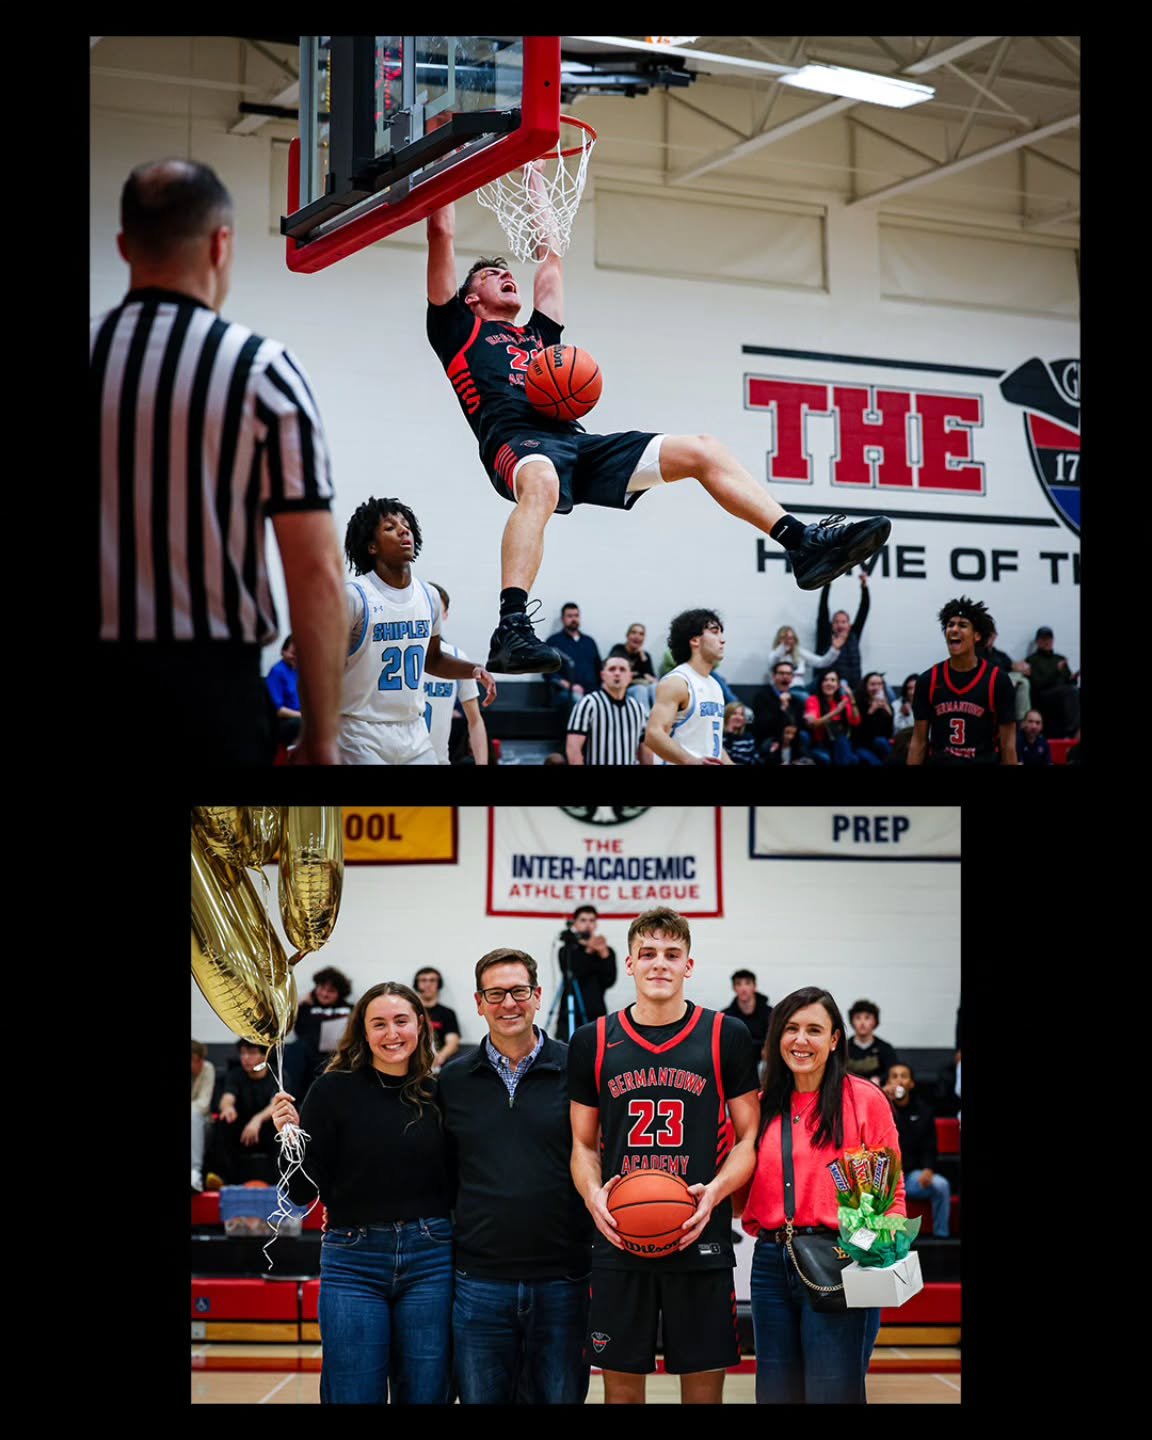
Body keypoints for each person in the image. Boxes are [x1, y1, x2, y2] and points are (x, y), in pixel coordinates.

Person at [424, 199, 891, 676]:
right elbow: (441, 230)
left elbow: (551, 259)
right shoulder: (456, 328)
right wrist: (445, 149)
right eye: (488, 275)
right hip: (515, 444)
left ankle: (801, 544)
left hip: (576, 444)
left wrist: (538, 177)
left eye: (506, 273)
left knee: (703, 450)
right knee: (541, 481)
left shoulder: (537, 336)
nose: (506, 276)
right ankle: (511, 627)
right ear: (470, 298)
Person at [93, 158, 346, 764]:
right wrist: (323, 738)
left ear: (125, 244)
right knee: (233, 864)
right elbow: (315, 572)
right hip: (213, 698)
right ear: (221, 244)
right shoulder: (263, 371)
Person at [568, 907, 761, 1404]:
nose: (660, 964)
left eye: (672, 954)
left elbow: (748, 1140)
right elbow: (583, 1146)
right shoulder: (591, 1040)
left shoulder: (726, 1035)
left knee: (702, 1395)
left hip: (699, 1234)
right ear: (629, 964)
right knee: (622, 1395)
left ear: (689, 966)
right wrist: (594, 1198)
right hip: (619, 1237)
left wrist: (715, 1194)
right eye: (648, 953)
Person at [271, 983, 454, 1405]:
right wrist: (287, 1137)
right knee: (354, 1391)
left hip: (431, 1258)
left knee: (427, 1392)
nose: (392, 1033)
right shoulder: (332, 1091)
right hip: (353, 1259)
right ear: (363, 1032)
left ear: (421, 1025)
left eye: (401, 1021)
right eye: (379, 1024)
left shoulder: (439, 1093)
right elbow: (300, 1192)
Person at [438, 948, 594, 1404]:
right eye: (496, 993)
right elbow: (444, 1174)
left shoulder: (578, 1070)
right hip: (479, 1281)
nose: (509, 1003)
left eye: (519, 991)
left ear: (538, 995)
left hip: (562, 1279)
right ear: (478, 1002)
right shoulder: (452, 1081)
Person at [741, 986, 904, 1404]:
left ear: (834, 1040)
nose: (801, 1040)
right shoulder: (761, 1106)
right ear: (777, 1038)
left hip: (839, 1257)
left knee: (833, 1392)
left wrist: (868, 1259)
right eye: (791, 1029)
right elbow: (741, 1193)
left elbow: (890, 1194)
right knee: (776, 1393)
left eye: (815, 1030)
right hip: (770, 1263)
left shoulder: (864, 1100)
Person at [340, 498, 496, 764]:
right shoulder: (354, 596)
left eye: (406, 524)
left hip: (414, 730)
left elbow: (432, 660)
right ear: (372, 546)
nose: (404, 530)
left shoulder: (429, 596)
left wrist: (473, 669)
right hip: (359, 731)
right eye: (390, 527)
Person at [908, 597, 1018, 766]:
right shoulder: (928, 680)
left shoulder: (998, 681)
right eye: (950, 625)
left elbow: (1007, 746)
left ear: (977, 635)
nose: (954, 629)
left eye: (962, 625)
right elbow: (919, 742)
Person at [645, 609, 732, 764]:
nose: (722, 640)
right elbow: (653, 735)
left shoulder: (715, 685)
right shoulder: (677, 682)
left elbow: (711, 742)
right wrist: (692, 761)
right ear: (695, 640)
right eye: (714, 632)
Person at [422, 583, 488, 765]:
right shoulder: (397, 655)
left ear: (445, 615)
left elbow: (475, 720)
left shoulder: (458, 658)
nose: (429, 616)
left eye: (435, 610)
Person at [882, 1063, 951, 1238]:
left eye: (903, 1076)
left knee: (941, 1185)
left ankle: (941, 1236)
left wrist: (928, 1169)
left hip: (910, 1176)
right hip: (883, 1179)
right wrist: (884, 1099)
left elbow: (929, 1145)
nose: (899, 1080)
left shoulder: (924, 1111)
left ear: (911, 1083)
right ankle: (890, 1240)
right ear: (888, 1081)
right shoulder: (880, 1107)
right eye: (894, 1076)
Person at [208, 1041, 279, 1184]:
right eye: (243, 1053)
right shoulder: (236, 1075)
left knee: (282, 1128)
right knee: (223, 1122)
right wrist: (227, 1108)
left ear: (264, 1056)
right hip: (242, 1131)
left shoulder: (277, 1075)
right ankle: (222, 1179)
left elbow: (276, 1105)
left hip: (266, 1129)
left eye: (251, 1053)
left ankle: (283, 1180)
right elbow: (227, 1098)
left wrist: (257, 1120)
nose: (246, 1057)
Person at [566, 654, 650, 765]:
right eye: (612, 669)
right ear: (602, 675)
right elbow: (573, 749)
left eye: (622, 669)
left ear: (630, 676)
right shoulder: (588, 704)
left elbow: (645, 750)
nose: (617, 673)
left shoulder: (638, 708)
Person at [287, 966, 355, 1100]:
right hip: (307, 1055)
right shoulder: (305, 1007)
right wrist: (298, 1002)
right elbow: (284, 1024)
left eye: (331, 991)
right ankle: (292, 1099)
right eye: (321, 988)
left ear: (339, 993)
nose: (324, 994)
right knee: (294, 1048)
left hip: (335, 1054)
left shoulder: (349, 1009)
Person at [554, 905, 618, 1041]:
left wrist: (603, 953)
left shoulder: (606, 951)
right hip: (570, 1012)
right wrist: (589, 950)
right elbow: (573, 975)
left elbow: (609, 980)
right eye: (583, 920)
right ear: (575, 924)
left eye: (591, 920)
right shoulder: (567, 950)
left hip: (595, 1012)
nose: (588, 924)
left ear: (596, 924)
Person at [814, 571, 871, 691]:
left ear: (849, 625)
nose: (840, 624)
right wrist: (827, 585)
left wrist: (864, 587)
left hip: (854, 685)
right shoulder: (825, 635)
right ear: (831, 625)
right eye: (836, 621)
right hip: (829, 684)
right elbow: (823, 609)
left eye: (843, 622)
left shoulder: (854, 634)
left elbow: (863, 610)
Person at [546, 603, 604, 714]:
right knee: (580, 701)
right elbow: (548, 673)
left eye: (576, 615)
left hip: (592, 690)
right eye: (570, 616)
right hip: (566, 693)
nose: (574, 619)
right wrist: (570, 686)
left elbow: (599, 667)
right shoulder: (554, 641)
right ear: (563, 619)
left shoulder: (589, 642)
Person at [1025, 625, 1080, 738]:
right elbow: (1037, 684)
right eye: (1043, 639)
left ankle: (1076, 730)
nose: (1047, 642)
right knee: (1068, 692)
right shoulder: (1032, 660)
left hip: (1063, 693)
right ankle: (1072, 732)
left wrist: (1073, 678)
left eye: (1049, 639)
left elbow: (1069, 682)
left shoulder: (1059, 658)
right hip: (1044, 695)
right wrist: (1056, 670)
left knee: (1075, 691)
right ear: (1038, 641)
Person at [764, 624, 843, 700]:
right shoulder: (774, 655)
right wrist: (783, 647)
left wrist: (834, 649)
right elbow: (773, 660)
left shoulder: (800, 653)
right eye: (785, 638)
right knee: (807, 698)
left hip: (801, 687)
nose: (788, 641)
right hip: (787, 689)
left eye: (791, 638)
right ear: (779, 639)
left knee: (840, 683)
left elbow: (821, 662)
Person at [752, 659, 811, 760]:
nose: (785, 676)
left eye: (788, 674)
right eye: (781, 673)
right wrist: (782, 709)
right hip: (769, 738)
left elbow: (800, 725)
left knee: (803, 737)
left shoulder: (795, 700)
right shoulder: (762, 697)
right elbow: (763, 725)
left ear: (792, 678)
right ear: (774, 676)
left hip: (791, 739)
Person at [804, 668, 861, 766]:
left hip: (844, 742)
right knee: (850, 756)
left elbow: (856, 721)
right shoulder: (813, 700)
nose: (829, 683)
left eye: (832, 680)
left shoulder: (844, 700)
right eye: (825, 680)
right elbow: (814, 724)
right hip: (822, 742)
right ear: (820, 684)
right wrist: (836, 712)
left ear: (838, 685)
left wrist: (852, 699)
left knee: (850, 753)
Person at [980, 627, 1032, 722]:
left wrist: (1023, 667)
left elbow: (1013, 666)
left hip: (1004, 680)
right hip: (989, 681)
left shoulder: (999, 654)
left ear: (995, 636)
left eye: (992, 634)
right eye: (987, 634)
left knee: (1024, 682)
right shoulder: (977, 653)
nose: (990, 637)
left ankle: (1023, 718)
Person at [413, 967, 461, 1068]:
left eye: (432, 980)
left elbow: (452, 1042)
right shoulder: (410, 1012)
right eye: (423, 980)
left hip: (438, 1063)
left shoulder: (447, 1013)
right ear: (417, 984)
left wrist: (439, 1058)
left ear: (439, 984)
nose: (428, 984)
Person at [608, 622, 660, 714]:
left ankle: (661, 718)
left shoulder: (645, 655)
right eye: (634, 632)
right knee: (640, 689)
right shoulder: (618, 649)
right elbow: (622, 673)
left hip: (643, 687)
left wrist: (642, 657)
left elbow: (651, 677)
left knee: (655, 687)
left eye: (641, 634)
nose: (637, 636)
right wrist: (641, 676)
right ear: (627, 636)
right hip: (625, 689)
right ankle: (645, 721)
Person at [845, 1000, 899, 1087]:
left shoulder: (885, 1048)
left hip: (878, 1091)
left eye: (867, 1018)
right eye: (858, 1018)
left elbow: (893, 1072)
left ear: (874, 1021)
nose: (862, 1023)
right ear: (852, 1022)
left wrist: (879, 1079)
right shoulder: (843, 1047)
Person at [265, 635, 302, 748]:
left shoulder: (298, 671)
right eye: (292, 653)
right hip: (284, 722)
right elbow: (278, 710)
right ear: (283, 651)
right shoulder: (277, 671)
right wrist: (302, 715)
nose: (295, 657)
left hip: (299, 716)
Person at [723, 970, 773, 1053]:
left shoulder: (770, 1013)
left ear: (754, 986)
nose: (743, 988)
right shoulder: (726, 1016)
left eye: (747, 983)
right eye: (738, 984)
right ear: (734, 988)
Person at [852, 671, 894, 765]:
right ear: (865, 686)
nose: (876, 687)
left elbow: (889, 733)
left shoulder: (887, 704)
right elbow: (858, 734)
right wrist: (871, 711)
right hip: (862, 745)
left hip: (880, 744)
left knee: (881, 741)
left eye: (879, 684)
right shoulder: (858, 703)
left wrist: (888, 712)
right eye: (872, 684)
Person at [191, 1040, 216, 1194]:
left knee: (193, 1115)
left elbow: (203, 1105)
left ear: (199, 1059)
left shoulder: (208, 1069)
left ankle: (195, 1173)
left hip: (203, 1123)